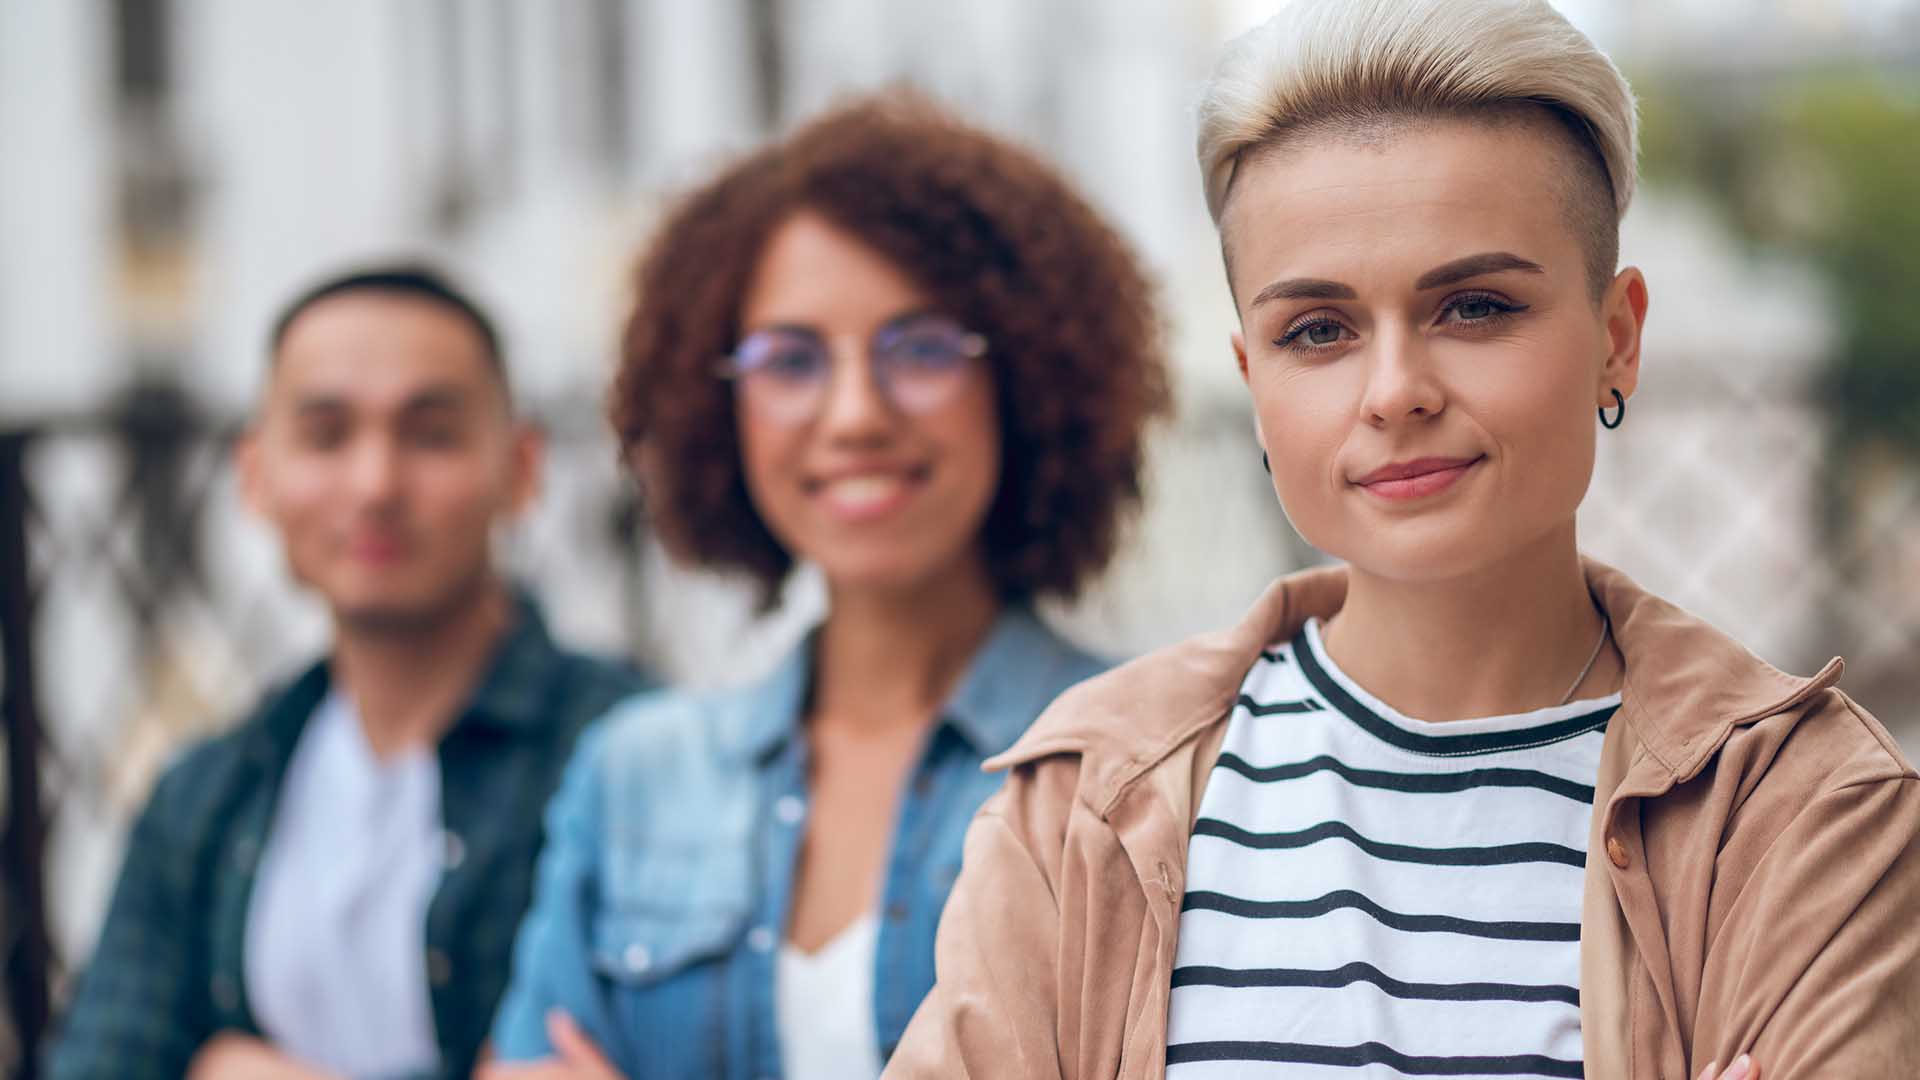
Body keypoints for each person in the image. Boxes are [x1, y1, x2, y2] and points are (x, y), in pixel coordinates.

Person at [885, 2, 1920, 1078]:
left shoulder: (1804, 814)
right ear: (1253, 381)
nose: (1394, 394)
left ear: (1617, 338)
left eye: (1474, 307)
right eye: (1318, 332)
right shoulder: (1084, 803)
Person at [480, 94, 1170, 1080]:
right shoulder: (633, 778)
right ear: (718, 405)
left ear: (1021, 380)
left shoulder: (1142, 767)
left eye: (922, 347)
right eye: (791, 360)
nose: (854, 415)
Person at [47, 266, 647, 1080]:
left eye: (430, 434)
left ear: (521, 467)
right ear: (255, 476)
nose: (375, 486)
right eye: (326, 435)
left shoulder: (632, 754)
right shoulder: (206, 794)